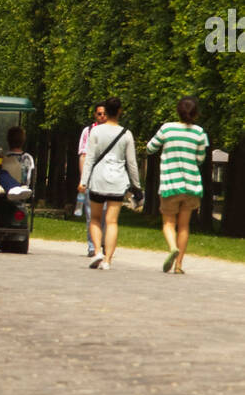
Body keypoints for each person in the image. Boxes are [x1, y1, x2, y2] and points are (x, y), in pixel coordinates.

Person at [146, 96, 209, 274]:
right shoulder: (199, 133)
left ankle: (172, 247)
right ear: (195, 113)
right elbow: (200, 159)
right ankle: (179, 265)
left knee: (168, 223)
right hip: (191, 185)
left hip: (170, 184)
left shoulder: (167, 128)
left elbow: (150, 148)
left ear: (178, 111)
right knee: (184, 226)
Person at [78, 97, 141, 269]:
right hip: (117, 182)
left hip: (98, 180)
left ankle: (97, 251)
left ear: (105, 111)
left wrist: (84, 181)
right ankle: (107, 260)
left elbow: (89, 158)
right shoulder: (126, 134)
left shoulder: (96, 132)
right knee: (112, 221)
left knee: (95, 219)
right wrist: (137, 186)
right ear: (120, 111)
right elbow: (132, 163)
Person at [78, 103, 107, 257]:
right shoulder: (88, 131)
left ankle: (103, 243)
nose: (102, 116)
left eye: (104, 114)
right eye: (99, 114)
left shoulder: (114, 131)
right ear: (95, 115)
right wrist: (84, 180)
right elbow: (83, 155)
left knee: (107, 213)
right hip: (92, 178)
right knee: (91, 214)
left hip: (108, 179)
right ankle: (92, 246)